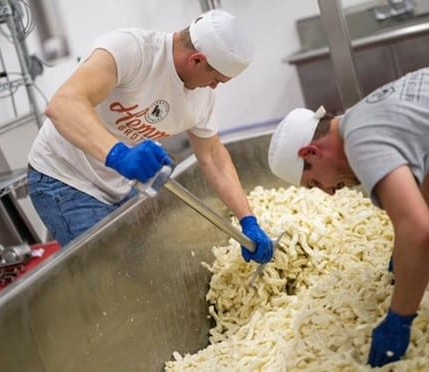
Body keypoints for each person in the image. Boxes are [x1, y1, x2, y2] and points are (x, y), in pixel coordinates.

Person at [267, 59, 429, 367]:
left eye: (315, 182)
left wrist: (400, 319)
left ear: (311, 152)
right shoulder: (365, 116)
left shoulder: (360, 141)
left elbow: (419, 233)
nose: (329, 191)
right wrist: (403, 252)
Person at [27, 9, 273, 265]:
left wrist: (248, 220)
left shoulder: (202, 98)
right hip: (66, 177)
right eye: (216, 80)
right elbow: (63, 105)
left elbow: (213, 157)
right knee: (109, 275)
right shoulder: (131, 50)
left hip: (119, 182)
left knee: (144, 267)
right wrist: (119, 154)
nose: (214, 88)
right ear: (197, 60)